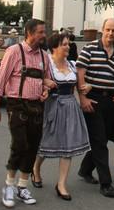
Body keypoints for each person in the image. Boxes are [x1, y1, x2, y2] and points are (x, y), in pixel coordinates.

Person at [0, 18, 53, 208]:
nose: (43, 35)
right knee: (20, 144)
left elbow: (46, 79)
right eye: (40, 32)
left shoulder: (44, 56)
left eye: (44, 32)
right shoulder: (14, 52)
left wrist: (46, 91)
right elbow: (0, 81)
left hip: (36, 106)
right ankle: (9, 185)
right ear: (29, 32)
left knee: (33, 146)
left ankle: (22, 186)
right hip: (17, 104)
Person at [31, 32, 90, 200]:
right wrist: (45, 82)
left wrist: (88, 87)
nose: (67, 47)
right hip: (53, 106)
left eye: (68, 44)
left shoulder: (72, 64)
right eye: (64, 44)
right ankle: (35, 168)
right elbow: (34, 80)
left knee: (68, 145)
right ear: (54, 47)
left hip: (70, 106)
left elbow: (82, 84)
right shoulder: (47, 64)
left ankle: (61, 184)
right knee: (46, 141)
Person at [76, 18, 114, 198]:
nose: (110, 33)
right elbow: (80, 74)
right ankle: (106, 183)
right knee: (99, 140)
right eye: (108, 30)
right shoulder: (90, 48)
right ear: (102, 29)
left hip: (111, 100)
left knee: (104, 138)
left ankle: (85, 169)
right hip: (93, 99)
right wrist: (83, 98)